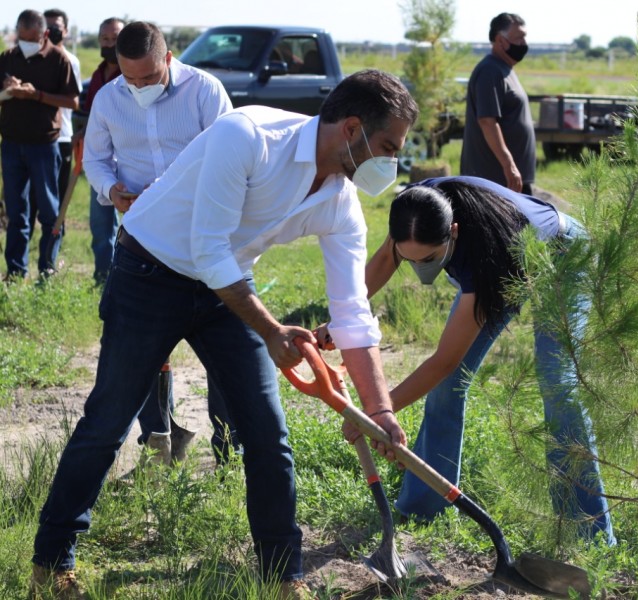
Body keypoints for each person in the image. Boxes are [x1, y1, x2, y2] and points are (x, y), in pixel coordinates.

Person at [30, 68, 417, 600]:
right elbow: (205, 247)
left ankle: (283, 577)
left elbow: (352, 313)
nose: (392, 164)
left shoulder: (340, 203)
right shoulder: (250, 137)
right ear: (352, 128)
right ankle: (52, 564)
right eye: (388, 147)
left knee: (267, 434)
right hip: (151, 271)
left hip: (226, 287)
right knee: (108, 421)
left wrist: (380, 412)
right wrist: (272, 330)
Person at [339, 176, 615, 544]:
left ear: (453, 232)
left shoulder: (485, 257)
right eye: (412, 260)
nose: (421, 268)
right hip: (501, 256)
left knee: (557, 383)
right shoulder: (419, 209)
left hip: (560, 255)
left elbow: (443, 362)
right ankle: (423, 504)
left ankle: (588, 532)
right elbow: (386, 259)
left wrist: (377, 414)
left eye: (430, 259)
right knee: (445, 391)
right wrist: (342, 316)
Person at [81, 21, 236, 465]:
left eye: (148, 78)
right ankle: (159, 443)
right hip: (143, 243)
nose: (139, 87)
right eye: (130, 78)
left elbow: (232, 156)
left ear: (168, 59)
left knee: (225, 356)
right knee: (140, 350)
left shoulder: (205, 92)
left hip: (203, 237)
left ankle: (229, 450)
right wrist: (112, 191)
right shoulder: (110, 97)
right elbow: (95, 159)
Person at [0, 9, 79, 280]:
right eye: (21, 38)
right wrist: (8, 90)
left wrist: (37, 95)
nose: (25, 43)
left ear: (44, 34)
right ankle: (15, 271)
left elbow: (72, 101)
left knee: (48, 210)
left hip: (44, 145)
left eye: (31, 38)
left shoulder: (59, 59)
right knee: (16, 211)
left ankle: (47, 267)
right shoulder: (8, 58)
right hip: (11, 143)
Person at [460, 13, 536, 194]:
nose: (524, 44)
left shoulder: (505, 69)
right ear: (500, 41)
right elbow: (487, 121)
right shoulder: (490, 71)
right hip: (495, 181)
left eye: (525, 37)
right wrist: (509, 164)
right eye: (519, 38)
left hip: (510, 180)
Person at [76, 16, 124, 285]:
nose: (109, 44)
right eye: (104, 39)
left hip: (125, 161)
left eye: (115, 39)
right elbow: (96, 118)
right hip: (101, 161)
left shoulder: (130, 76)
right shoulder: (97, 74)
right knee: (100, 224)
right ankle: (103, 275)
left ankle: (117, 276)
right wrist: (84, 133)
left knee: (121, 226)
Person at [30, 9, 81, 232]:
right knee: (31, 196)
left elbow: (73, 99)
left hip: (62, 136)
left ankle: (52, 247)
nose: (51, 32)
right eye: (47, 27)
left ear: (66, 31)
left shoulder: (71, 61)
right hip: (35, 136)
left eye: (56, 27)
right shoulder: (33, 58)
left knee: (56, 196)